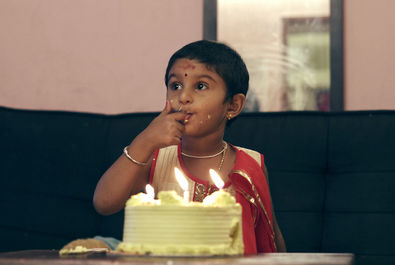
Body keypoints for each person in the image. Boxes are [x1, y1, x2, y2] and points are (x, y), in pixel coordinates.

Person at [93, 40, 286, 254]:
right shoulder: (155, 159)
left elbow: (270, 235)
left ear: (233, 105)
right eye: (175, 86)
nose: (183, 97)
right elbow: (104, 203)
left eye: (200, 86)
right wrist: (144, 141)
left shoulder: (251, 164)